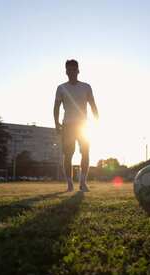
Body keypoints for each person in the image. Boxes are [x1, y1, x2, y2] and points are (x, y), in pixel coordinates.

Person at [53, 59, 99, 192]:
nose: (72, 71)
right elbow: (56, 107)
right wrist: (56, 123)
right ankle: (69, 184)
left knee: (85, 152)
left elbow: (93, 105)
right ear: (66, 71)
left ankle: (83, 182)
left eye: (74, 69)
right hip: (67, 126)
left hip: (84, 125)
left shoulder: (86, 87)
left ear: (78, 71)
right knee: (68, 155)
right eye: (69, 69)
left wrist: (97, 120)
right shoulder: (61, 88)